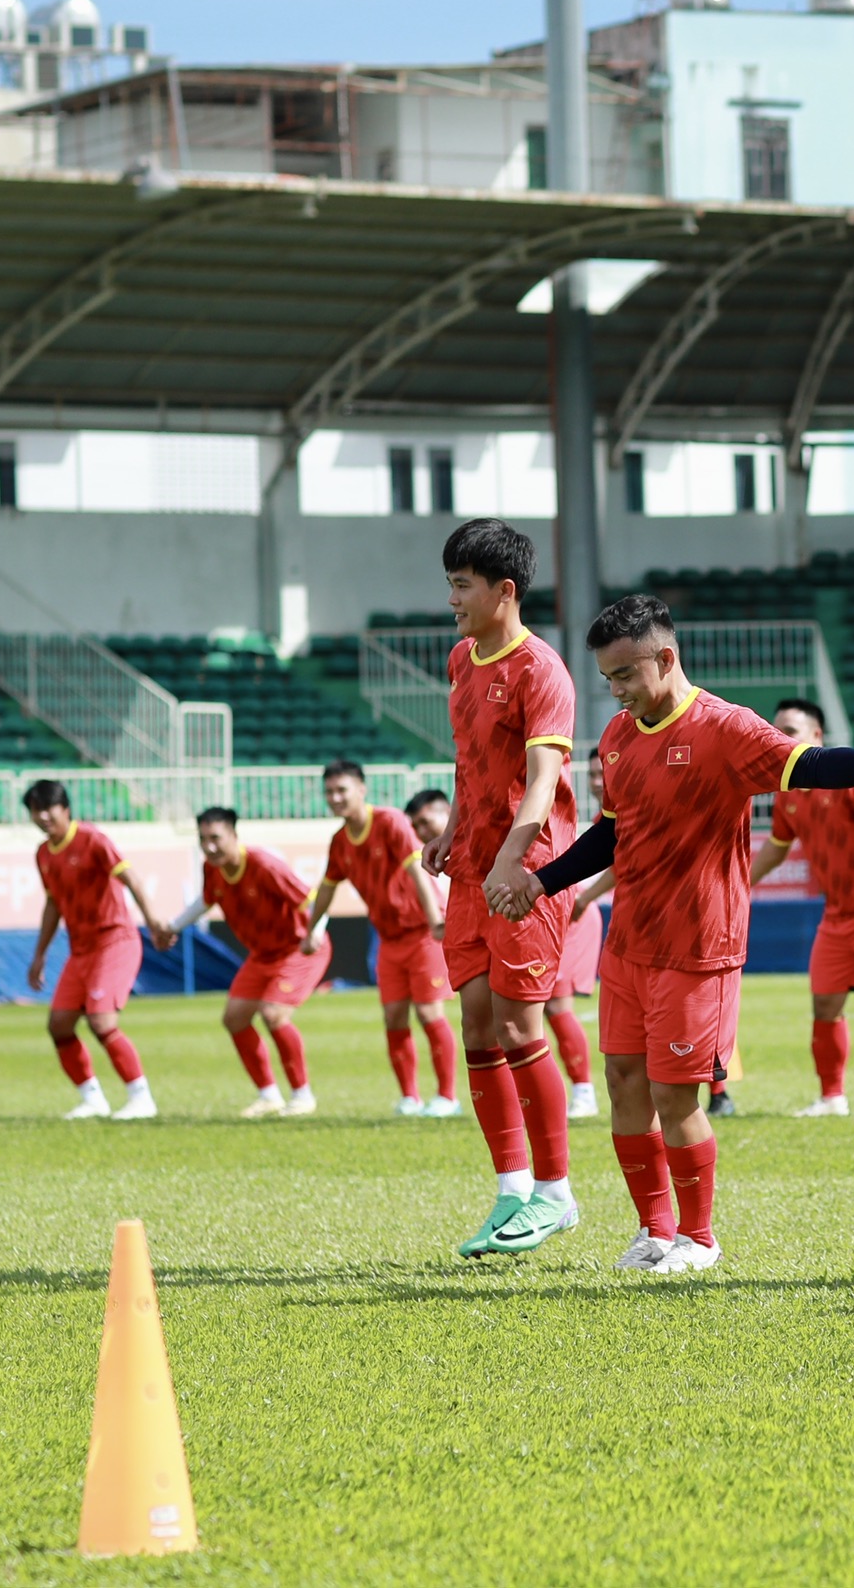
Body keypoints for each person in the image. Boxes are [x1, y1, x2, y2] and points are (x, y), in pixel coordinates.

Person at [501, 594, 854, 1273]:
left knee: (674, 1092)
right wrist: (545, 881)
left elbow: (805, 765)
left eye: (626, 675)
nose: (617, 692)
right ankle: (654, 1232)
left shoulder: (724, 727)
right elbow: (612, 832)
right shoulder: (619, 739)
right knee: (625, 1080)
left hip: (699, 946)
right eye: (607, 680)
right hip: (630, 942)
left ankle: (698, 1239)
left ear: (666, 657)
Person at [422, 518, 580, 1259]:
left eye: (462, 585)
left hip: (525, 872)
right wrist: (455, 830)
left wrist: (510, 866)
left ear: (504, 591)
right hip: (472, 869)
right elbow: (472, 762)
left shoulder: (542, 670)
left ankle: (556, 1194)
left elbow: (543, 783)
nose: (451, 598)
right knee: (478, 1030)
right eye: (450, 582)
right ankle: (512, 1189)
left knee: (522, 1029)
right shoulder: (461, 659)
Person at [756, 696, 854, 1120]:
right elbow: (775, 850)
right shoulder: (787, 794)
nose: (780, 737)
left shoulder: (851, 781)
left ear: (816, 736)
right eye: (777, 730)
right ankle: (832, 1098)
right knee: (824, 1005)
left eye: (790, 730)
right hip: (837, 912)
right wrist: (735, 885)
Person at [300, 760, 458, 1118]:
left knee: (430, 1012)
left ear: (361, 789)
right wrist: (313, 929)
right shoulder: (340, 842)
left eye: (342, 790)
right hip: (388, 939)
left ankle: (447, 1097)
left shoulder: (389, 822)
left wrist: (435, 918)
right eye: (330, 792)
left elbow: (416, 869)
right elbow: (326, 888)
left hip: (421, 933)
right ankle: (409, 1097)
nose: (336, 798)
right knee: (393, 1017)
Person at [25, 779, 172, 1121]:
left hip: (114, 940)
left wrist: (151, 921)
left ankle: (141, 1097)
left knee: (101, 1020)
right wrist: (40, 954)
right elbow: (53, 905)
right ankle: (92, 1099)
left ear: (66, 809)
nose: (43, 816)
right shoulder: (44, 855)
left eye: (49, 808)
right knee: (59, 1025)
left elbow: (131, 878)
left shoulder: (92, 840)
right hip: (81, 949)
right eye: (36, 810)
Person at [169, 807, 329, 1119]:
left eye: (215, 838)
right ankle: (268, 1096)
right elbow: (206, 899)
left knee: (274, 1014)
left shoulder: (263, 864)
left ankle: (302, 1095)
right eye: (203, 839)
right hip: (263, 954)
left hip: (298, 948)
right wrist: (174, 927)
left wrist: (316, 934)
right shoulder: (212, 869)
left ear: (233, 835)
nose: (210, 846)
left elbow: (311, 901)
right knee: (235, 1018)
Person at [546, 753, 603, 1122]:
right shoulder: (600, 817)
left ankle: (584, 1091)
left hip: (576, 914)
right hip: (564, 909)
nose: (598, 781)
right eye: (593, 774)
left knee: (554, 1005)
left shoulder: (628, 807)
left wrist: (585, 898)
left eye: (604, 773)